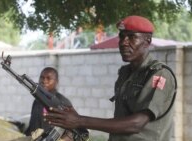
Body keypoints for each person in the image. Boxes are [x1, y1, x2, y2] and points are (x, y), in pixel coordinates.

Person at [44, 15, 177, 141]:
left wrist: (79, 120)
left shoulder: (159, 74)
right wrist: (75, 118)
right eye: (122, 37)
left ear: (147, 41)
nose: (124, 42)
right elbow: (121, 120)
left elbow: (137, 124)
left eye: (131, 37)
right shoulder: (125, 73)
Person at [25, 67, 74, 140]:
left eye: (48, 78)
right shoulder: (37, 101)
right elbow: (32, 125)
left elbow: (71, 130)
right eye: (42, 77)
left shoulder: (62, 102)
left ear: (56, 81)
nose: (44, 81)